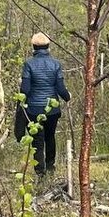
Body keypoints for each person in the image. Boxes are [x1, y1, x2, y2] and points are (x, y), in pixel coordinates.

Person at [17, 32, 71, 175]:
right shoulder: (56, 64)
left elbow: (25, 90)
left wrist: (21, 85)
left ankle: (40, 172)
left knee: (37, 140)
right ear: (48, 47)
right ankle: (51, 167)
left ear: (33, 47)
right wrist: (67, 96)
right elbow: (60, 89)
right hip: (52, 110)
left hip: (34, 110)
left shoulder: (28, 64)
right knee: (50, 137)